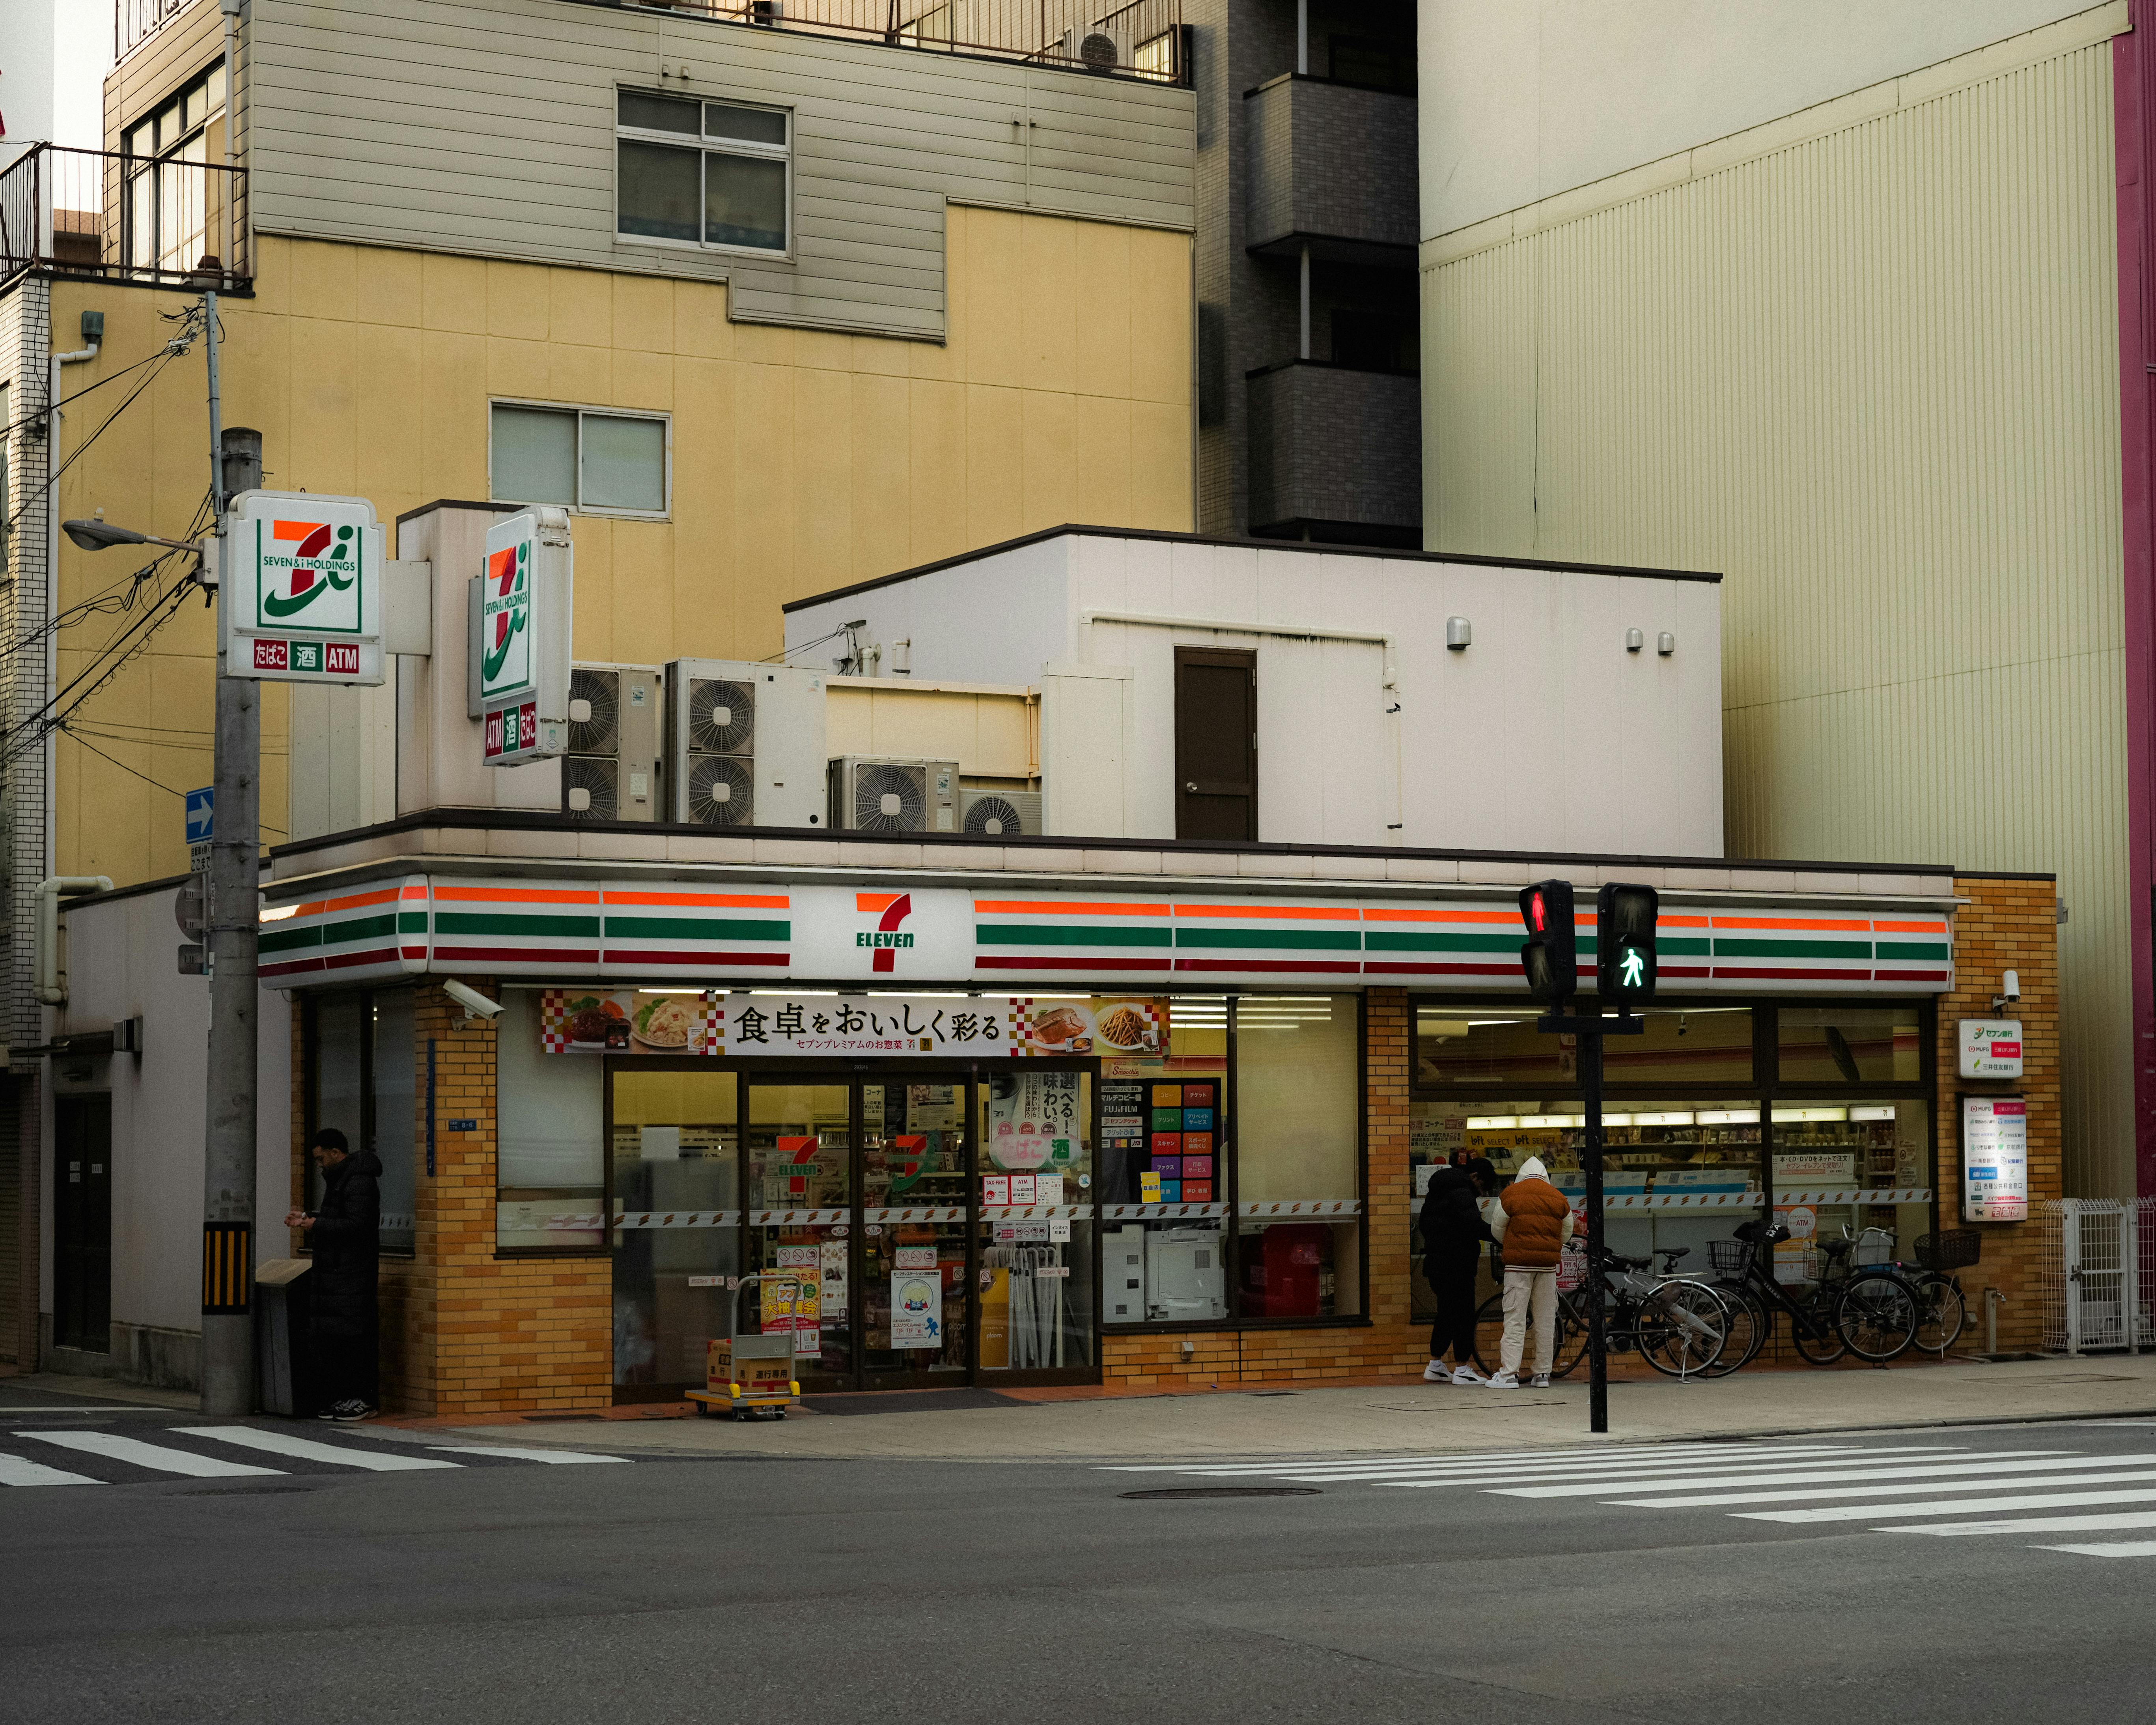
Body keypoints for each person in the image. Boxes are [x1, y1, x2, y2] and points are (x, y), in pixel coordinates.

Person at [284, 1127, 381, 1420]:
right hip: (339, 1275)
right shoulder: (342, 1179)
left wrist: (315, 1225)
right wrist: (308, 1218)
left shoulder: (358, 1180)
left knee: (352, 1341)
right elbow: (340, 1218)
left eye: (321, 1158)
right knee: (336, 1342)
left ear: (336, 1153)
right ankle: (343, 1398)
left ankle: (361, 1399)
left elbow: (358, 1226)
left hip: (351, 1274)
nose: (319, 1164)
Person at [1487, 1155, 1575, 1389]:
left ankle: (1509, 1374)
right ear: (1545, 1176)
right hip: (1547, 1268)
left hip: (1518, 1266)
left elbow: (1497, 1229)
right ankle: (1543, 1374)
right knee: (1546, 1321)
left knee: (1515, 1319)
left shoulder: (1511, 1194)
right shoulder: (1559, 1198)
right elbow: (1566, 1233)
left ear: (1521, 1175)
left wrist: (1512, 1244)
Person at [1418, 1155, 1496, 1384]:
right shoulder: (1462, 1192)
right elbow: (1474, 1226)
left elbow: (1427, 1225)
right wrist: (1501, 1235)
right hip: (1457, 1265)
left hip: (1437, 1264)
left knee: (1447, 1314)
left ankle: (1436, 1364)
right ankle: (1462, 1368)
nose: (1482, 1193)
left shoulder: (1438, 1192)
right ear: (1474, 1177)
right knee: (1464, 1315)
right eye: (1482, 1186)